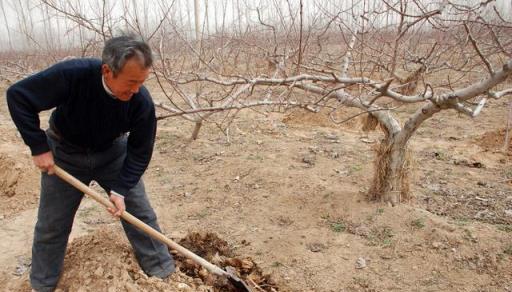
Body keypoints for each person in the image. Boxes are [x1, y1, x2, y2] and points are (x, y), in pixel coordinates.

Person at [6, 35, 175, 292]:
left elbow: (140, 151)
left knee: (139, 213)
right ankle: (41, 285)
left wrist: (121, 189)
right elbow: (18, 97)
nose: (136, 90)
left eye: (142, 82)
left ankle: (164, 275)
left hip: (112, 153)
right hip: (64, 153)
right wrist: (38, 147)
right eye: (131, 82)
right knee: (52, 224)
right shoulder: (73, 75)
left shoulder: (140, 101)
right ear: (107, 70)